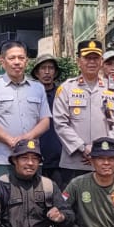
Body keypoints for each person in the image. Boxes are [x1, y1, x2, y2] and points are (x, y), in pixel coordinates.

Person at [52, 40, 114, 184]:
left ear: (101, 61)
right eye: (87, 58)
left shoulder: (113, 90)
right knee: (71, 204)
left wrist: (103, 151)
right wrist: (83, 147)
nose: (91, 62)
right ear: (78, 61)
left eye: (95, 58)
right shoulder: (66, 89)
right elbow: (60, 123)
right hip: (74, 161)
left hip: (105, 162)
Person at [0, 42, 53, 185]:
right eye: (12, 58)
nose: (17, 62)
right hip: (2, 160)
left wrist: (26, 138)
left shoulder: (38, 88)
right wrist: (10, 140)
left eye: (21, 58)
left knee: (34, 204)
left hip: (31, 159)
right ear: (2, 61)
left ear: (27, 61)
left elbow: (45, 122)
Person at [29, 52, 66, 180]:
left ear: (55, 72)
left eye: (50, 68)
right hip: (34, 155)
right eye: (43, 68)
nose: (47, 72)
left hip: (59, 158)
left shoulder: (62, 94)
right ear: (37, 72)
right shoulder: (29, 94)